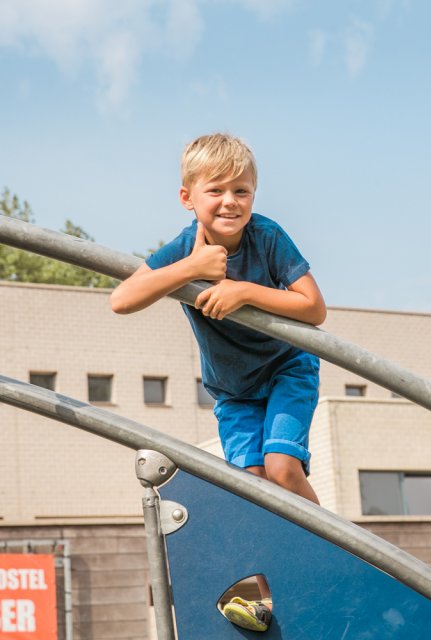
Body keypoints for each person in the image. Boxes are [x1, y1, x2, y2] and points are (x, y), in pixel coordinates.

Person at [110, 132, 326, 632]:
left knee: (283, 468)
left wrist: (243, 291)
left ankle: (341, 554)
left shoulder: (267, 237)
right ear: (188, 197)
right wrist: (192, 269)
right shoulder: (183, 249)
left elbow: (313, 308)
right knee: (251, 486)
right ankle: (264, 590)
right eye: (216, 190)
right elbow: (122, 300)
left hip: (286, 369)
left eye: (242, 191)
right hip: (233, 391)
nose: (230, 202)